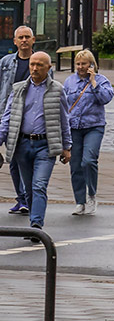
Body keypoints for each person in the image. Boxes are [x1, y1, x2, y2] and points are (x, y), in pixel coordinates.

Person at [0, 52, 72, 228]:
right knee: (30, 188)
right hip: (22, 145)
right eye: (32, 64)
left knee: (39, 185)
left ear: (48, 68)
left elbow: (64, 119)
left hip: (45, 146)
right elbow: (7, 118)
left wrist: (67, 146)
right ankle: (34, 218)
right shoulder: (18, 89)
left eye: (39, 65)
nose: (34, 68)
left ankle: (36, 224)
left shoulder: (57, 89)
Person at [62, 49, 112, 216]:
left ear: (92, 65)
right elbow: (63, 104)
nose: (81, 67)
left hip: (94, 126)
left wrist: (93, 83)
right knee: (75, 165)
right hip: (74, 127)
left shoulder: (101, 80)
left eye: (84, 64)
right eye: (78, 64)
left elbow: (106, 98)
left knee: (88, 161)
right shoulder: (69, 82)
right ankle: (79, 201)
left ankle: (91, 194)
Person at [0, 25, 37, 215]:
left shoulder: (40, 61)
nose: (24, 40)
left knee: (28, 160)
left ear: (33, 40)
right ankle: (21, 198)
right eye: (20, 37)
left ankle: (30, 197)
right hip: (11, 117)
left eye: (27, 37)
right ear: (15, 41)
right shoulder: (6, 62)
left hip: (32, 118)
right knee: (13, 160)